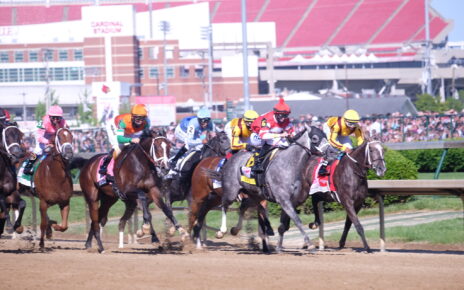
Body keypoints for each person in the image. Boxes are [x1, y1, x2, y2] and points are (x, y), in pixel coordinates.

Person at [99, 104, 150, 176]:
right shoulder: (124, 121)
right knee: (119, 145)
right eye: (138, 119)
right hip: (113, 126)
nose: (141, 121)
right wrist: (131, 140)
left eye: (143, 118)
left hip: (129, 130)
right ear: (132, 117)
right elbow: (119, 139)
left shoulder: (146, 123)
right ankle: (106, 166)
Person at [248, 97, 295, 174]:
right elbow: (263, 135)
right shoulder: (267, 120)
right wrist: (281, 135)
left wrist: (291, 135)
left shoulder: (286, 120)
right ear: (276, 114)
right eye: (281, 116)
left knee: (286, 143)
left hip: (273, 133)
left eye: (285, 116)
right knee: (273, 142)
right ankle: (258, 163)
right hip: (257, 136)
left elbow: (292, 132)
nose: (283, 119)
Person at [23, 105, 69, 175]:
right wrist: (48, 142)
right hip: (41, 135)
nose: (56, 120)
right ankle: (28, 167)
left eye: (58, 118)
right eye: (53, 117)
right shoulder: (42, 122)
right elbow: (39, 137)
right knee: (37, 151)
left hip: (52, 135)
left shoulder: (63, 122)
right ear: (49, 116)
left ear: (61, 117)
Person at [318, 109, 365, 175]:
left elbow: (360, 140)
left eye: (354, 123)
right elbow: (332, 140)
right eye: (350, 123)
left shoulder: (356, 127)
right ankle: (323, 167)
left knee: (350, 149)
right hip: (330, 129)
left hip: (343, 133)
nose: (352, 126)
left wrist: (361, 148)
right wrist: (343, 148)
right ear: (345, 120)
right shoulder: (337, 125)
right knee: (333, 148)